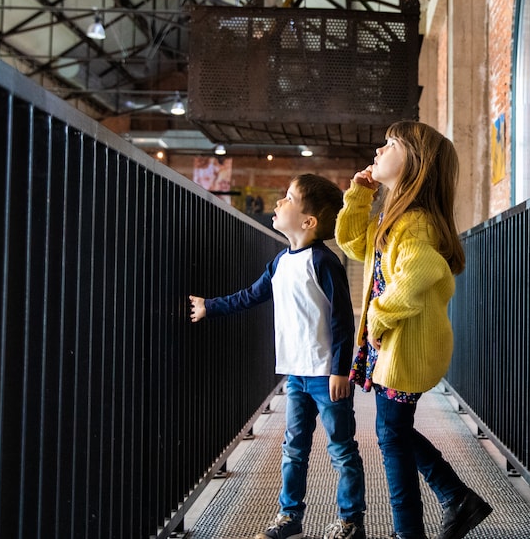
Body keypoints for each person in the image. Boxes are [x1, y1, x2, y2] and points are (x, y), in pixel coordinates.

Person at [337, 121, 493, 539]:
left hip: (405, 345)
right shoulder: (393, 216)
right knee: (395, 431)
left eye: (390, 144)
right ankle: (456, 498)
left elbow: (420, 271)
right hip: (393, 345)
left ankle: (412, 529)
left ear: (415, 164)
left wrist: (379, 316)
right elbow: (351, 243)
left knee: (391, 437)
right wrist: (359, 194)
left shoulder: (417, 222)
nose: (379, 149)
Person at [189, 173, 366, 539]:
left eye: (288, 198)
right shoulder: (281, 261)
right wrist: (210, 306)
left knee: (341, 449)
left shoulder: (324, 262)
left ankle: (351, 521)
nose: (279, 203)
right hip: (296, 375)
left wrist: (340, 371)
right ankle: (290, 517)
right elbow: (250, 296)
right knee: (294, 448)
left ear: (308, 221)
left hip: (324, 375)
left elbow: (342, 320)